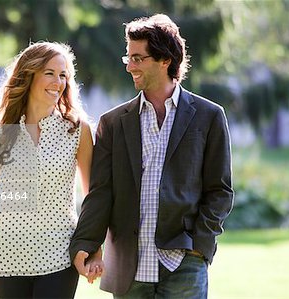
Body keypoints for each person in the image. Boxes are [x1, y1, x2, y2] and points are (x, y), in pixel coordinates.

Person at [70, 14, 234, 299]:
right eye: (128, 58)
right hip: (128, 268)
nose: (130, 66)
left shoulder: (209, 116)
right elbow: (100, 191)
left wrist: (200, 245)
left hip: (184, 262)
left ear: (165, 60)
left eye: (138, 58)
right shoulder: (112, 123)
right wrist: (86, 241)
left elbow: (220, 190)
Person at [0, 41, 97, 299]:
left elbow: (93, 196)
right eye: (49, 73)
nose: (58, 82)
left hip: (58, 255)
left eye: (63, 76)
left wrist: (93, 248)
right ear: (29, 75)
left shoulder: (78, 131)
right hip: (6, 259)